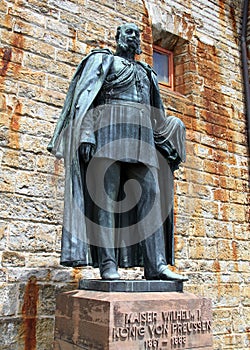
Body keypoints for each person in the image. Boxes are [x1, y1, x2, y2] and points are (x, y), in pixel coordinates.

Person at [47, 23, 187, 281]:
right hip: (107, 134)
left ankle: (156, 265)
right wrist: (87, 133)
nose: (133, 37)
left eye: (137, 33)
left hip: (142, 139)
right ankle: (108, 265)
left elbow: (158, 115)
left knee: (152, 199)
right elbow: (87, 98)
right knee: (106, 201)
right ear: (118, 37)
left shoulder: (147, 73)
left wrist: (172, 130)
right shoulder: (105, 61)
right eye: (128, 32)